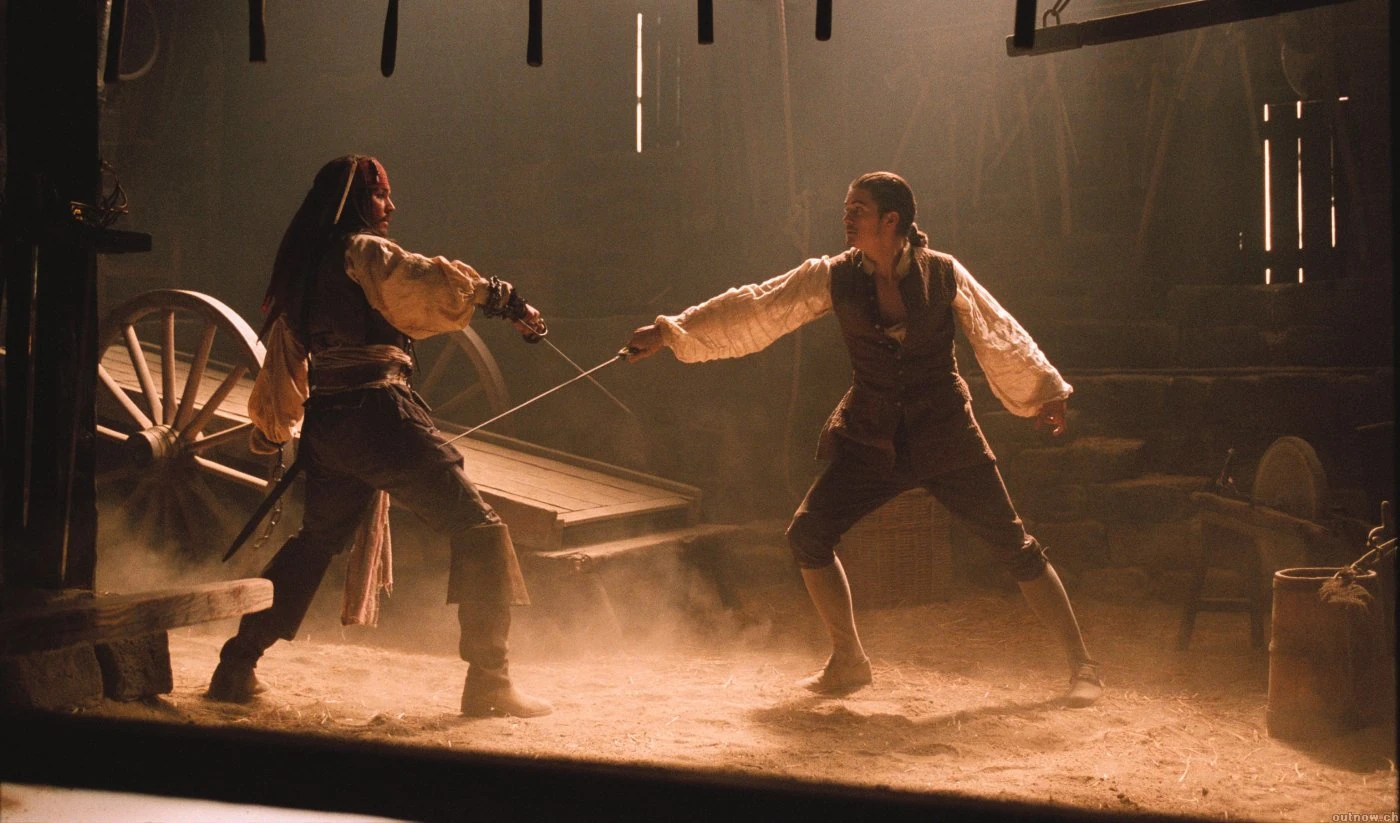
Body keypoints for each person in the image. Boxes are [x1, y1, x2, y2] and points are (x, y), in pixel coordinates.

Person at [626, 171, 1101, 707]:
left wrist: (1045, 390)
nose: (846, 217)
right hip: (873, 435)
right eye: (847, 208)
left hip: (945, 433)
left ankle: (1083, 667)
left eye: (858, 209)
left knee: (1015, 546)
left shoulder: (944, 273)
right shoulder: (834, 276)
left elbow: (998, 332)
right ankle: (848, 660)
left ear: (890, 220)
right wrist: (669, 332)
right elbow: (759, 304)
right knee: (808, 535)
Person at [207, 154, 552, 717]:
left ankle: (236, 665)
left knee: (315, 542)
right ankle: (490, 681)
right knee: (480, 528)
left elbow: (284, 365)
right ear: (353, 201)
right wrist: (504, 299)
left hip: (328, 426)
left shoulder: (301, 274)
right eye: (380, 195)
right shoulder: (362, 252)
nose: (390, 205)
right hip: (377, 413)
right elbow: (424, 281)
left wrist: (273, 430)